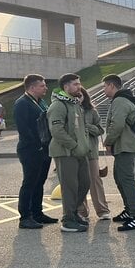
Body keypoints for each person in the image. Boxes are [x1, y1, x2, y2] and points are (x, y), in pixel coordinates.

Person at [46, 73, 91, 233]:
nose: (79, 87)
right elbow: (56, 130)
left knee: (85, 183)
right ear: (66, 87)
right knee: (70, 187)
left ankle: (73, 213)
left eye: (79, 83)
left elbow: (81, 129)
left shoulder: (75, 104)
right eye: (75, 84)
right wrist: (74, 146)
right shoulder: (58, 105)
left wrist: (84, 146)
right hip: (65, 153)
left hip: (80, 152)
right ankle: (68, 219)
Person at [13, 74, 55, 229]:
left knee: (40, 182)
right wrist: (37, 145)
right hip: (31, 150)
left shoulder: (40, 102)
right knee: (29, 182)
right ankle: (25, 217)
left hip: (44, 149)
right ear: (32, 87)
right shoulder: (22, 103)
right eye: (42, 86)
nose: (45, 88)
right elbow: (23, 128)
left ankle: (37, 213)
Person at [103, 75, 135, 231]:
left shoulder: (120, 101)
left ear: (112, 86)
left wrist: (108, 141)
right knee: (120, 178)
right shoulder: (122, 99)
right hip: (124, 145)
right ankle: (129, 211)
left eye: (105, 86)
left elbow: (118, 124)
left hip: (125, 145)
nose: (104, 89)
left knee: (126, 179)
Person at [76, 86, 111, 221]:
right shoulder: (69, 111)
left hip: (91, 151)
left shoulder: (92, 111)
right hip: (76, 151)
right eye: (76, 96)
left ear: (85, 96)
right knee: (80, 181)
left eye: (81, 95)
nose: (79, 98)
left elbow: (100, 130)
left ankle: (102, 210)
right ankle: (81, 211)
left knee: (95, 180)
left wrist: (86, 126)